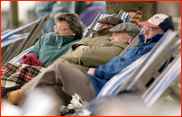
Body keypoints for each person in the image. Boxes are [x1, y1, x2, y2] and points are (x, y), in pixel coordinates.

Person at [4, 14, 174, 116]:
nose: (145, 32)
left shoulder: (151, 50)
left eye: (151, 30)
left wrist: (97, 71)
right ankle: (18, 105)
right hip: (100, 84)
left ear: (163, 33)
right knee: (51, 90)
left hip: (103, 88)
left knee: (58, 69)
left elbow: (119, 67)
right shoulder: (145, 46)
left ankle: (12, 97)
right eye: (146, 28)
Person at [1, 12, 84, 88]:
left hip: (50, 75)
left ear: (74, 31)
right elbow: (32, 54)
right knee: (6, 68)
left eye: (60, 29)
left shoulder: (77, 45)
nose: (56, 32)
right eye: (56, 28)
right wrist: (30, 62)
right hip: (31, 70)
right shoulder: (47, 37)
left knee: (14, 80)